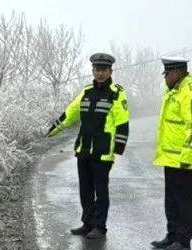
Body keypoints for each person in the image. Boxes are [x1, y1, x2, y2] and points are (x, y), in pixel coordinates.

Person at [46, 52, 130, 238]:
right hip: (83, 148)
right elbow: (70, 113)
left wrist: (118, 147)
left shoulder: (116, 93)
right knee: (85, 189)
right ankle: (87, 223)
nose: (100, 73)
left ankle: (99, 227)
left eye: (103, 70)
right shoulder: (85, 91)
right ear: (92, 70)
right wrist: (52, 130)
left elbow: (122, 122)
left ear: (110, 71)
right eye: (97, 70)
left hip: (102, 151)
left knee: (100, 191)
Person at [151, 56, 192, 250]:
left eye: (167, 74)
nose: (165, 78)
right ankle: (172, 235)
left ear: (177, 72)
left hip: (185, 160)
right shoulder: (173, 92)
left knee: (184, 201)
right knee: (171, 199)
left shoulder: (191, 93)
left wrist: (187, 156)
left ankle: (183, 240)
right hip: (171, 158)